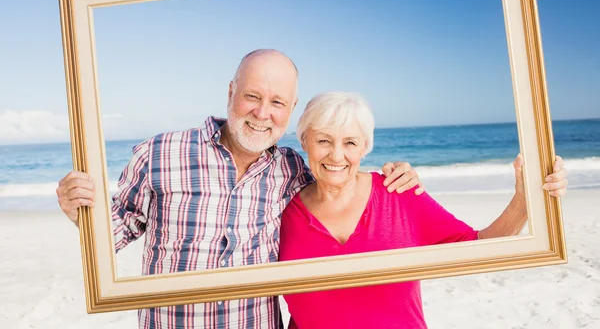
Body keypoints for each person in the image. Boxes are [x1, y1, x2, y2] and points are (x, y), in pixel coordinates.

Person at [56, 49, 425, 329]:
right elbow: (116, 232)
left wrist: (396, 177)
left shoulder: (292, 169)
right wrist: (82, 211)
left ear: (291, 109)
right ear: (232, 92)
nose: (262, 113)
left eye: (277, 102)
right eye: (252, 96)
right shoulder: (160, 153)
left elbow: (341, 177)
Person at [278, 91, 569, 329]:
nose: (336, 155)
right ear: (305, 141)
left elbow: (478, 247)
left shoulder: (398, 193)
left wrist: (525, 199)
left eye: (350, 142)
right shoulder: (283, 211)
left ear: (365, 146)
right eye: (323, 141)